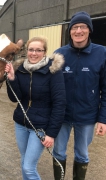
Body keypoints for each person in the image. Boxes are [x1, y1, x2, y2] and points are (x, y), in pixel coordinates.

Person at [52, 11, 106, 180]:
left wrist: (103, 119)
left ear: (89, 30)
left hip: (87, 116)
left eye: (83, 27)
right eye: (75, 27)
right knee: (59, 151)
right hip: (62, 115)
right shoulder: (59, 53)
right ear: (70, 31)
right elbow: (49, 86)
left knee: (82, 154)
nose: (78, 31)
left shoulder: (102, 53)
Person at [5, 36, 66, 180]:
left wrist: (51, 133)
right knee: (24, 161)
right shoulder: (20, 70)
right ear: (26, 51)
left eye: (39, 50)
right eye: (31, 49)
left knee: (28, 167)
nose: (34, 53)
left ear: (45, 52)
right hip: (21, 124)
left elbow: (60, 103)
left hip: (40, 127)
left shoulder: (53, 71)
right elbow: (15, 98)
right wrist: (12, 78)